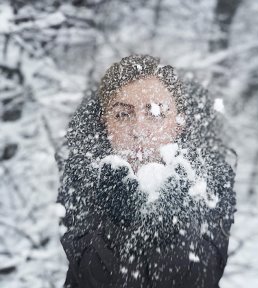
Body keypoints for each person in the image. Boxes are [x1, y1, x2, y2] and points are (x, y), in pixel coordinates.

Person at [56, 54, 237, 288]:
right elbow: (95, 277)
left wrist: (170, 221)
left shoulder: (211, 179)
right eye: (123, 114)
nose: (139, 130)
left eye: (155, 113)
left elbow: (199, 277)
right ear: (105, 123)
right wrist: (120, 222)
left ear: (179, 122)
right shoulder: (80, 177)